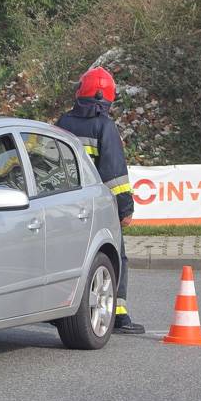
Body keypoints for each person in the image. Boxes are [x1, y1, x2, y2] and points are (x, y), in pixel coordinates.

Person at [56, 66, 145, 334]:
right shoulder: (104, 126)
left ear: (80, 92)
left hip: (61, 205)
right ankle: (117, 315)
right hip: (96, 206)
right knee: (115, 257)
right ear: (107, 98)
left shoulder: (62, 123)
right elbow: (114, 174)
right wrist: (125, 209)